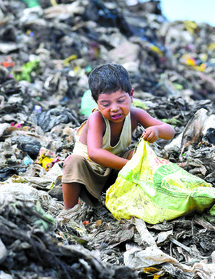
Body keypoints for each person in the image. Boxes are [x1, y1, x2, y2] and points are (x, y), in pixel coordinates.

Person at [62, 63, 175, 209]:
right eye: (106, 104)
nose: (115, 108)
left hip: (115, 174)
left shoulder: (135, 115)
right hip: (88, 176)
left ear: (131, 95)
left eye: (121, 101)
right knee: (74, 161)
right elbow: (94, 153)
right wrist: (131, 166)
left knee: (137, 154)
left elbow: (170, 131)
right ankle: (68, 210)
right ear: (96, 102)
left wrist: (157, 131)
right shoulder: (96, 119)